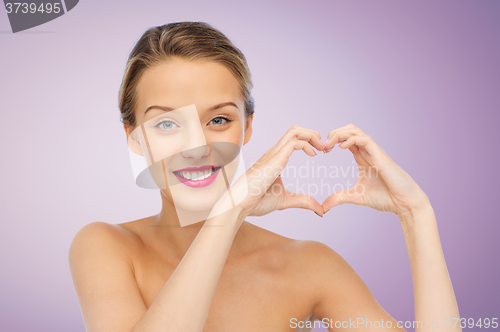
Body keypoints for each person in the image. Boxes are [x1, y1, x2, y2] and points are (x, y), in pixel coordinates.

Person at [68, 21, 461, 332]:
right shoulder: (106, 247)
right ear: (133, 136)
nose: (197, 146)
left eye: (219, 119)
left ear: (247, 127)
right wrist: (228, 214)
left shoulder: (308, 265)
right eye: (167, 124)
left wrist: (416, 214)